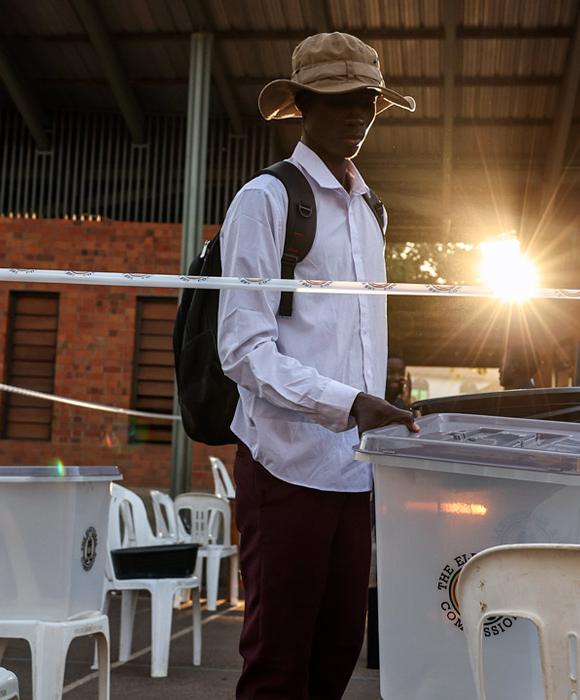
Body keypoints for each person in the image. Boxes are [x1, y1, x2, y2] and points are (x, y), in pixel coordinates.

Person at [216, 32, 418, 700]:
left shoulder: (371, 210)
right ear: (302, 104)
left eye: (368, 101)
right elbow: (242, 349)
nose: (358, 114)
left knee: (337, 652)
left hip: (353, 473)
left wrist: (376, 403)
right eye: (339, 99)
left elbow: (356, 339)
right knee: (278, 663)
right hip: (285, 465)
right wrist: (350, 403)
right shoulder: (267, 199)